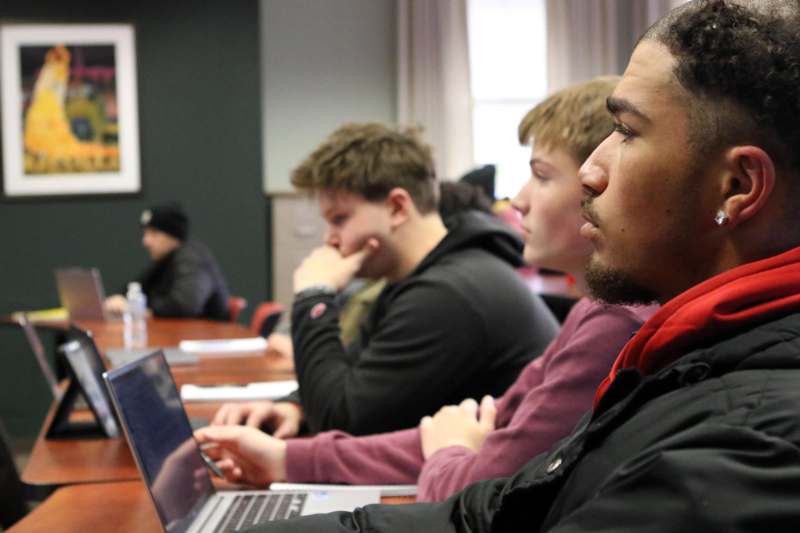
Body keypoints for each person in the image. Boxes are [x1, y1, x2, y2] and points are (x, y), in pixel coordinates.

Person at [227, 0, 800, 530]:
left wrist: (314, 302)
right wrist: (290, 454)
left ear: (738, 186)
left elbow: (460, 477)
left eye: (625, 133)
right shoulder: (678, 349)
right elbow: (500, 502)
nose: (590, 175)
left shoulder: (747, 434)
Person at [195, 77, 655, 501]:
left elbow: (478, 491)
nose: (518, 200)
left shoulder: (454, 295)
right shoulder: (585, 309)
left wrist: (314, 296)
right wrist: (288, 447)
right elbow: (443, 420)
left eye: (540, 174)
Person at [214, 123, 559, 437]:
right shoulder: (422, 277)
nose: (330, 239)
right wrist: (293, 406)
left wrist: (314, 297)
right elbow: (354, 374)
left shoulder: (447, 294)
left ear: (397, 207)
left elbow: (341, 422)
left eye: (340, 219)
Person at [104, 202, 231, 321]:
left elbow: (186, 305)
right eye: (145, 234)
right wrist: (120, 301)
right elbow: (137, 288)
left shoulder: (191, 259)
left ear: (173, 236)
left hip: (205, 339)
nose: (146, 241)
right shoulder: (165, 260)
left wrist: (138, 309)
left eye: (153, 233)